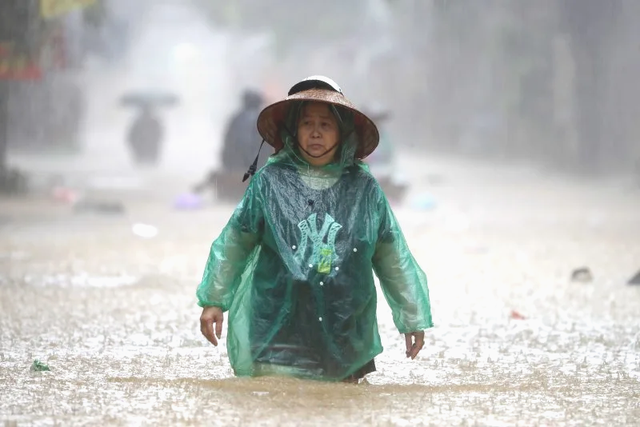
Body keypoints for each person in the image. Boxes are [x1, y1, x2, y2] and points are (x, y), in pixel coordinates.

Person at [196, 76, 433, 383]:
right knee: (278, 400)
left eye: (326, 124)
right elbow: (235, 243)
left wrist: (411, 317)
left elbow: (391, 255)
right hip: (277, 330)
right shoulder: (269, 183)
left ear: (342, 132)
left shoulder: (363, 189)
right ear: (293, 130)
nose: (316, 133)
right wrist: (214, 300)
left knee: (341, 404)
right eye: (307, 123)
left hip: (345, 329)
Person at [192, 89, 271, 199]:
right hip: (255, 168)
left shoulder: (235, 119)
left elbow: (226, 146)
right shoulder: (264, 120)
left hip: (232, 166)